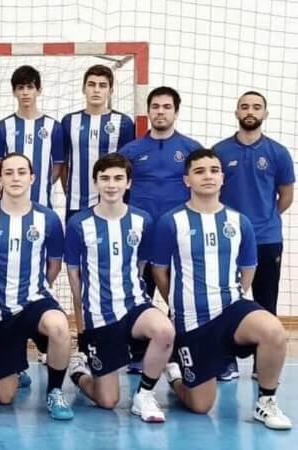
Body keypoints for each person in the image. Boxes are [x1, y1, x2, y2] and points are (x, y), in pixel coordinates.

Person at [152, 149, 291, 430]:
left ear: (223, 178)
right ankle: (176, 374)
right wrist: (179, 304)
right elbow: (159, 272)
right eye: (199, 171)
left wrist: (235, 298)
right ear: (187, 180)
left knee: (274, 330)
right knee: (200, 406)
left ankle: (266, 402)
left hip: (230, 311)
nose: (208, 176)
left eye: (214, 170)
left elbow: (248, 268)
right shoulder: (171, 222)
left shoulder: (239, 222)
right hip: (192, 322)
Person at [65, 153, 175, 423]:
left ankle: (144, 395)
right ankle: (78, 372)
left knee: (164, 330)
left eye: (118, 178)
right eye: (105, 178)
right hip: (99, 315)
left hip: (133, 306)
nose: (111, 184)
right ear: (95, 183)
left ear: (128, 183)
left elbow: (141, 266)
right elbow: (74, 276)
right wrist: (81, 324)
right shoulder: (79, 224)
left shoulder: (143, 221)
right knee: (107, 401)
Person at [0, 153, 73, 420]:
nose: (15, 178)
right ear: (0, 179)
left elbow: (54, 265)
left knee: (60, 327)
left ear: (32, 178)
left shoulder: (48, 219)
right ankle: (15, 368)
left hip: (35, 301)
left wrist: (37, 289)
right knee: (3, 397)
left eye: (22, 172)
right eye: (9, 172)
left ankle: (55, 391)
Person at [118, 86, 202, 374]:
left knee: (180, 293)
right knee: (138, 293)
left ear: (176, 112)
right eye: (155, 106)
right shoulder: (131, 151)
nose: (160, 112)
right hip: (140, 237)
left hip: (178, 236)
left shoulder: (192, 149)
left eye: (167, 107)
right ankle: (138, 352)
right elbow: (117, 190)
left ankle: (181, 351)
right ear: (148, 111)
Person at [214, 91, 295, 379]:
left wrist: (263, 220)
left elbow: (286, 196)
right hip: (228, 239)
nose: (250, 111)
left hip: (267, 239)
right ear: (237, 113)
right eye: (245, 106)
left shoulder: (278, 152)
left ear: (265, 114)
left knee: (265, 301)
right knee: (224, 301)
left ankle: (263, 364)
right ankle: (225, 361)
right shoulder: (220, 152)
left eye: (257, 107)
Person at [61, 64, 135, 221]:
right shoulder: (69, 121)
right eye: (91, 84)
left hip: (112, 202)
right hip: (77, 202)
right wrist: (70, 191)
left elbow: (127, 165)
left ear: (111, 91)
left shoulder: (123, 123)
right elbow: (63, 163)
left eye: (102, 85)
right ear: (83, 89)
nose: (96, 90)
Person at [0, 65, 64, 208]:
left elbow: (58, 165)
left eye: (30, 87)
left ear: (39, 90)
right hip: (10, 204)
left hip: (42, 202)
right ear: (14, 92)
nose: (25, 92)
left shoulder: (54, 126)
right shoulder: (3, 127)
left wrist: (42, 183)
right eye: (20, 88)